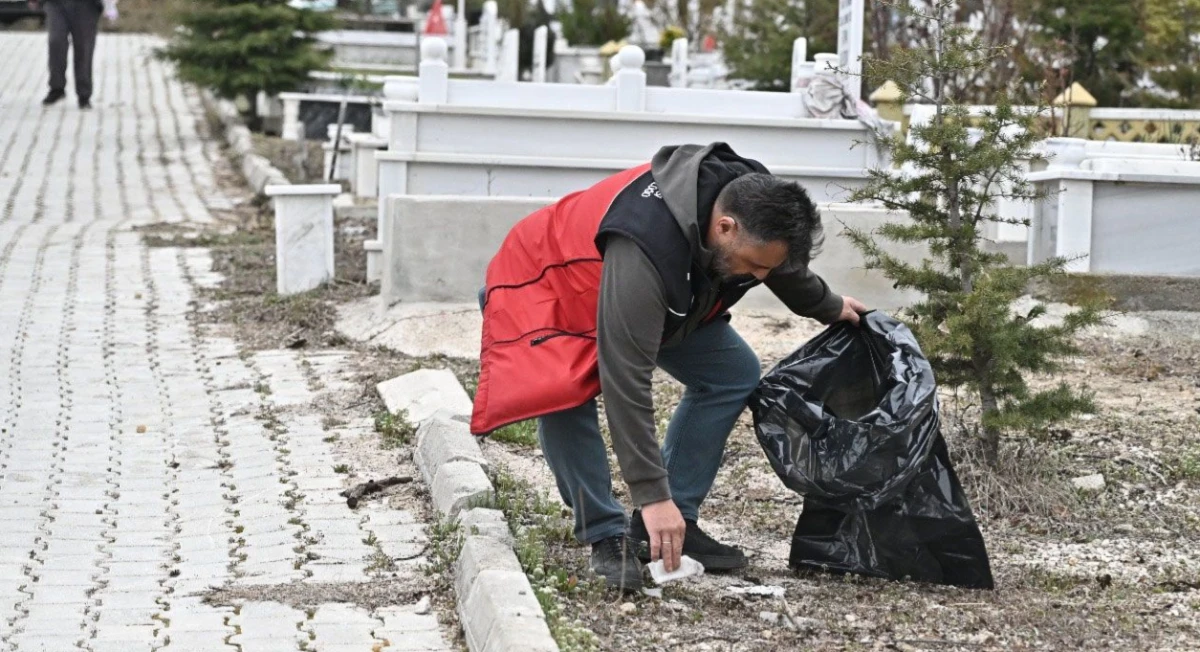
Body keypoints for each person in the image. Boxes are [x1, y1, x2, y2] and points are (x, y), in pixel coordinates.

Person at [471, 142, 867, 591]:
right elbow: (626, 380)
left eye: (765, 268)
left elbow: (775, 260)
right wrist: (650, 493)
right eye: (754, 267)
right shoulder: (645, 247)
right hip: (551, 285)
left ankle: (663, 526)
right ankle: (606, 535)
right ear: (724, 227)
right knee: (566, 394)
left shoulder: (748, 197)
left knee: (731, 373)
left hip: (655, 290)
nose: (760, 277)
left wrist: (827, 305)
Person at [29, 0, 119, 109]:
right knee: (56, 42)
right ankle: (57, 88)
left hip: (86, 6)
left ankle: (84, 95)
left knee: (84, 47)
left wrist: (110, 7)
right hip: (56, 4)